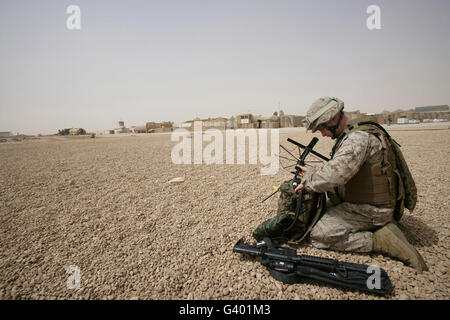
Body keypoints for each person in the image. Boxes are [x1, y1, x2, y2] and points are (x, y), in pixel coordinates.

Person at [294, 97, 428, 272]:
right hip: (370, 203)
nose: (323, 135)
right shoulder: (357, 132)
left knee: (319, 235)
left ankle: (380, 239)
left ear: (333, 119)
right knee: (318, 214)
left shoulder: (357, 139)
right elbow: (340, 168)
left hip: (372, 209)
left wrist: (308, 180)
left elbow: (335, 176)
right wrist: (312, 173)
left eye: (322, 129)